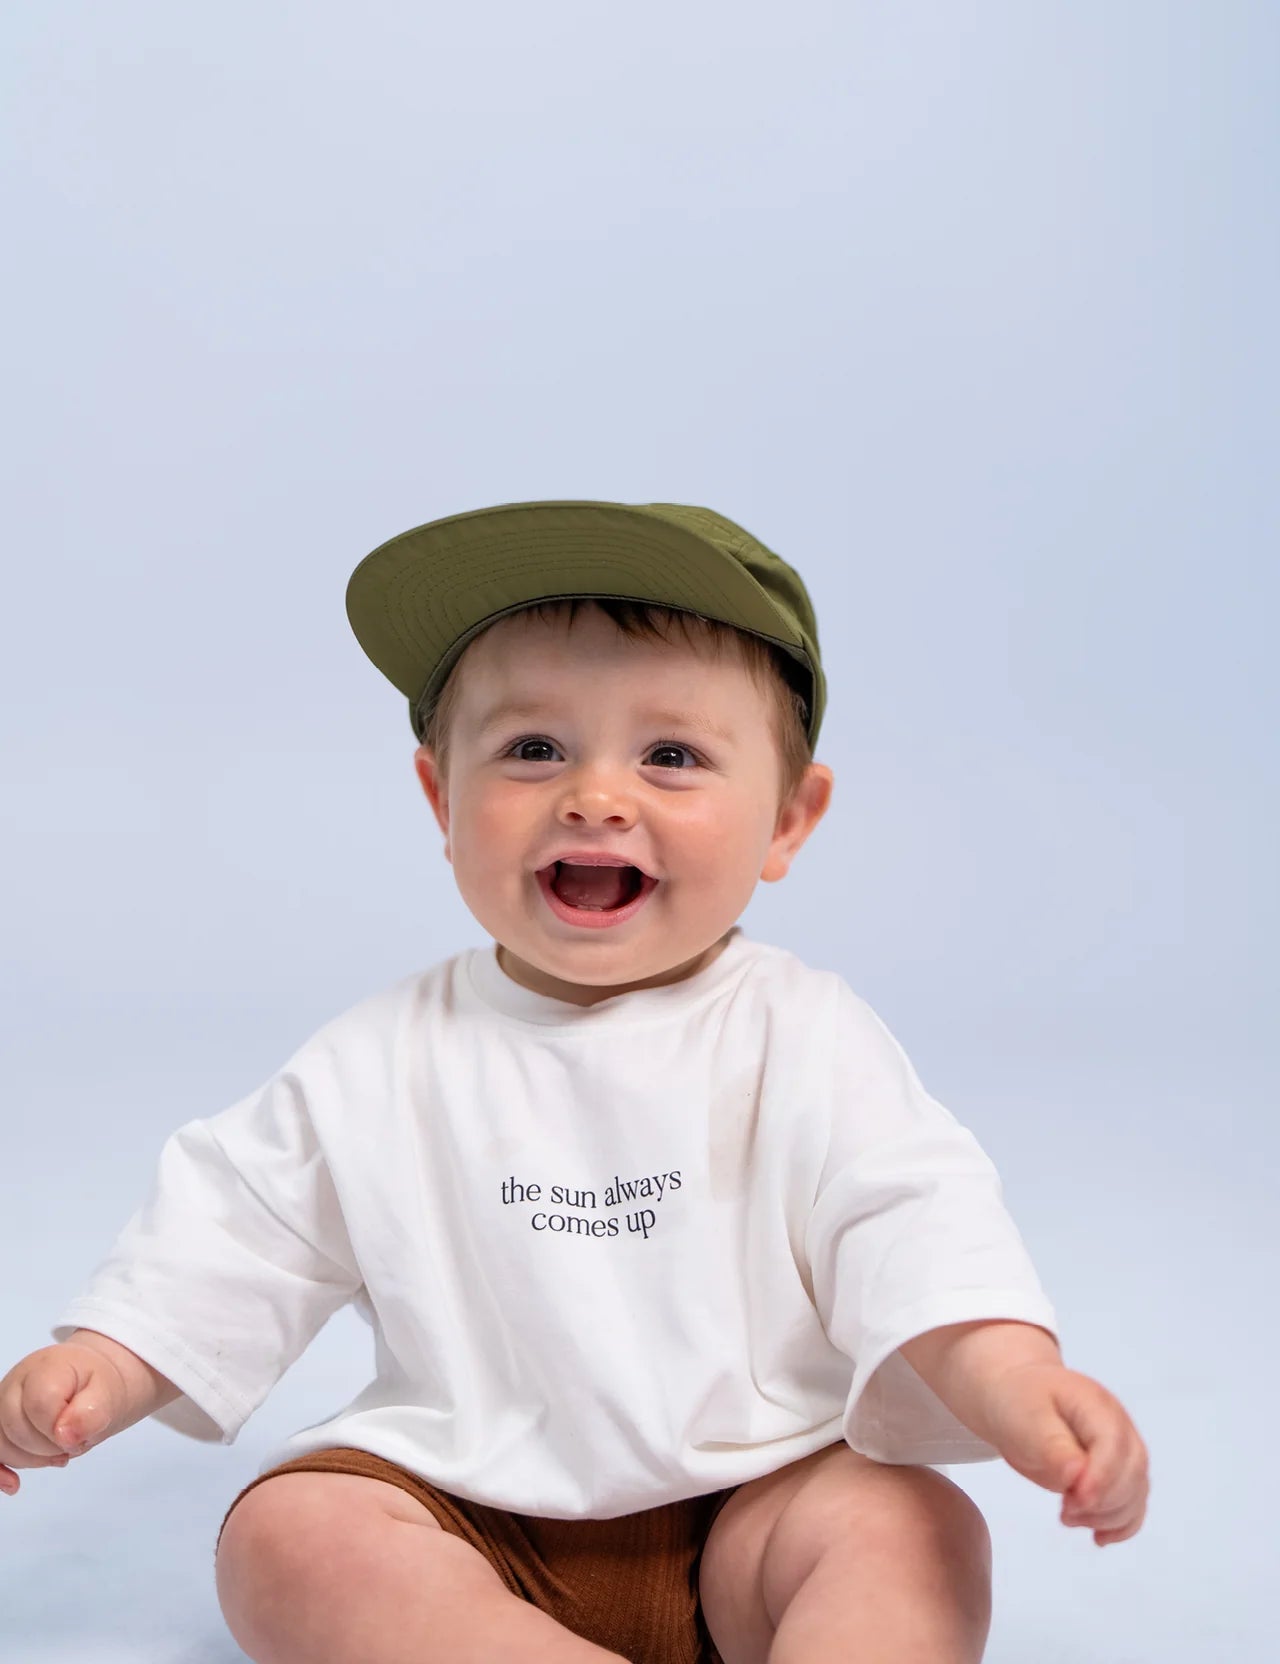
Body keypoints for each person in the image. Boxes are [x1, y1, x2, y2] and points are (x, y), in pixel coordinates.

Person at [0, 500, 1149, 1664]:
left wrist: (1011, 1372)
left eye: (671, 755)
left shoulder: (800, 1034)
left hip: (756, 1496)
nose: (596, 794)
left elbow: (909, 1220)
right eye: (533, 748)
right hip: (467, 1508)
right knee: (291, 1532)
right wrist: (107, 1358)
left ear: (786, 822)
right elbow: (237, 1229)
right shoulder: (382, 1056)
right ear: (440, 798)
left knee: (907, 1520)